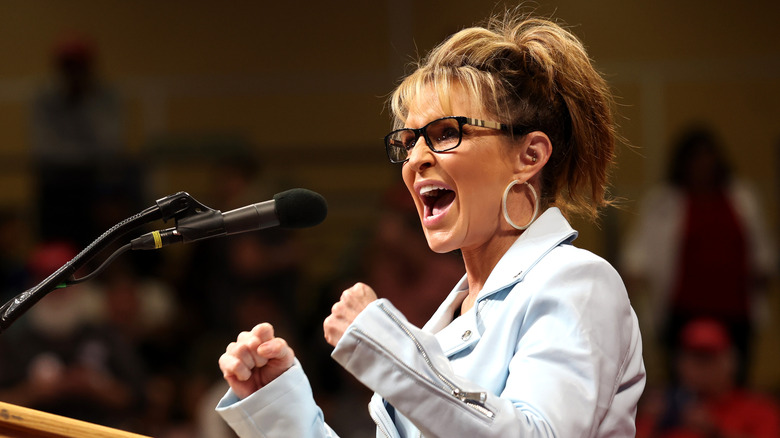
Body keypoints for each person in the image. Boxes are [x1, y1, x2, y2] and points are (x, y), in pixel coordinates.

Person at [215, 10, 646, 437]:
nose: (415, 159)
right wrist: (278, 409)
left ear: (529, 156)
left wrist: (391, 350)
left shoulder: (577, 282)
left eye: (444, 134)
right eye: (408, 141)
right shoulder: (442, 327)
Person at [622, 126, 776, 384]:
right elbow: (636, 259)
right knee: (686, 389)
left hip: (734, 312)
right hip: (684, 311)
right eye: (695, 158)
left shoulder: (743, 198)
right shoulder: (663, 203)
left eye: (707, 156)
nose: (702, 164)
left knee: (733, 387)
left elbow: (762, 253)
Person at [636, 318, 780, 438]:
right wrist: (650, 421)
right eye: (693, 358)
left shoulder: (760, 409)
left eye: (708, 359)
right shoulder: (663, 408)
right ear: (679, 364)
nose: (700, 369)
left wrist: (715, 431)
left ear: (732, 363)